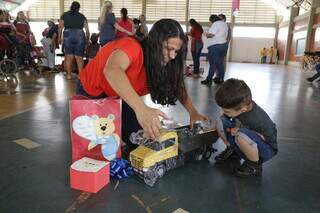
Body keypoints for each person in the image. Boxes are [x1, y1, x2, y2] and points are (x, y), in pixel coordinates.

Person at [76, 19, 207, 145]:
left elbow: (177, 86)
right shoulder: (132, 46)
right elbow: (112, 70)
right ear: (155, 43)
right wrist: (142, 109)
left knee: (143, 138)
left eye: (176, 51)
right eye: (168, 48)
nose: (173, 56)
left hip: (119, 96)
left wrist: (193, 112)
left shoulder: (165, 63)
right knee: (98, 142)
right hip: (93, 91)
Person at [214, 78, 277, 177]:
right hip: (245, 137)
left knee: (241, 135)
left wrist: (240, 130)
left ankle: (254, 165)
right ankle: (233, 150)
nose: (223, 112)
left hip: (265, 149)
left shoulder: (258, 119)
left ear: (243, 109)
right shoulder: (241, 106)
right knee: (221, 121)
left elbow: (268, 139)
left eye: (226, 111)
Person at [58, 1, 90, 80]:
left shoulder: (65, 15)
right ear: (78, 8)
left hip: (67, 34)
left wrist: (59, 37)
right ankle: (80, 76)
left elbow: (60, 27)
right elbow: (87, 30)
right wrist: (87, 39)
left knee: (69, 57)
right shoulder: (82, 16)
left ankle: (69, 75)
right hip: (79, 34)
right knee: (79, 57)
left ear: (71, 6)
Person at [201, 14, 228, 86]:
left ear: (212, 20)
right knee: (220, 63)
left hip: (215, 46)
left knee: (213, 63)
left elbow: (211, 35)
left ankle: (209, 79)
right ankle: (220, 78)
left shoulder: (216, 24)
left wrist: (206, 34)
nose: (211, 23)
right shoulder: (224, 24)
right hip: (224, 45)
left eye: (211, 22)